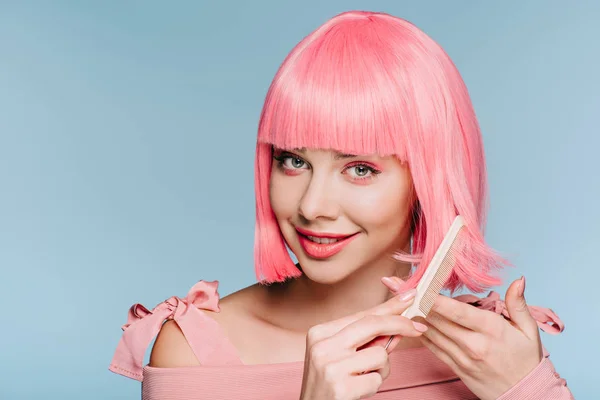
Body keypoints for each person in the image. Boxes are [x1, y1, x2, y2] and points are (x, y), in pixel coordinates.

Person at [109, 10, 573, 399]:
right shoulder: (193, 351)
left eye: (360, 169)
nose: (313, 206)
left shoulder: (492, 349)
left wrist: (530, 389)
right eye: (293, 160)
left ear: (428, 180)